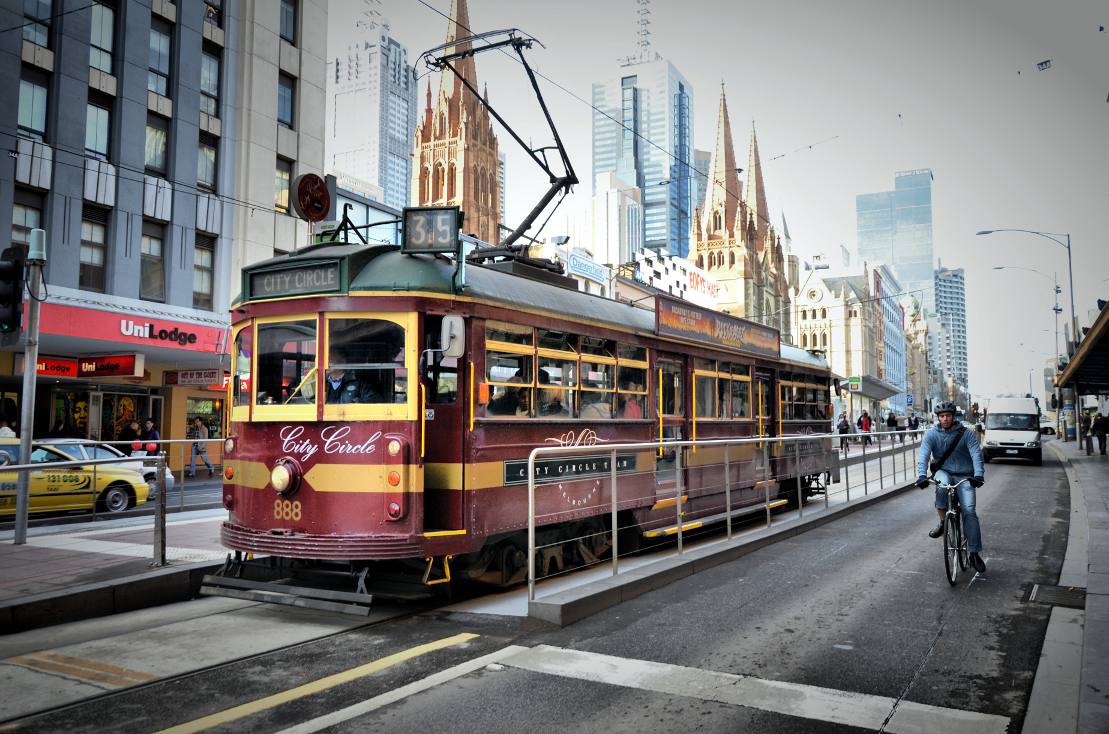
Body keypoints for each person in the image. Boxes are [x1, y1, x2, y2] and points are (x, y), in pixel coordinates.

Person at [916, 401, 987, 573]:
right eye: (942, 416)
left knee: (969, 511)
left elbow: (976, 455)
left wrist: (978, 475)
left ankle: (974, 554)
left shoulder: (967, 434)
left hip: (966, 475)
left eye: (948, 416)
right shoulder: (931, 434)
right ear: (938, 418)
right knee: (941, 485)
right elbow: (924, 455)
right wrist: (921, 476)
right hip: (944, 471)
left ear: (954, 416)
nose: (945, 419)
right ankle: (942, 522)